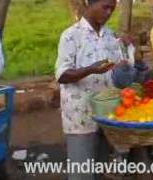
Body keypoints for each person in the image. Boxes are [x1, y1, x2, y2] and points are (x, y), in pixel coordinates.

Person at [55, 0, 146, 179]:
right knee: (81, 171)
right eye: (105, 7)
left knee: (99, 167)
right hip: (81, 116)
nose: (108, 12)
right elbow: (62, 75)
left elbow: (121, 73)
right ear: (90, 3)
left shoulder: (110, 37)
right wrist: (91, 69)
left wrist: (130, 53)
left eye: (112, 9)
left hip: (105, 116)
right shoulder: (71, 36)